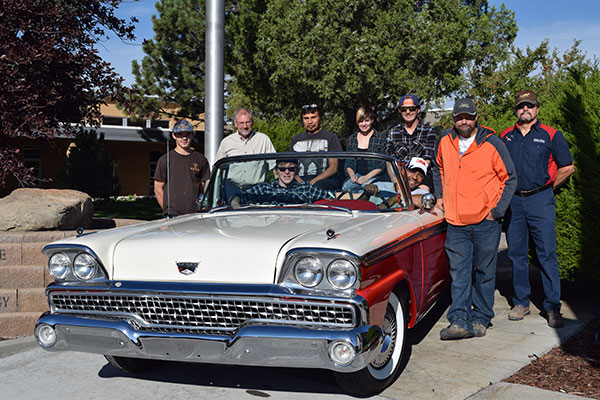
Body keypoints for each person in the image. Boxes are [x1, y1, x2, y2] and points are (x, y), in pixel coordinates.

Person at [433, 98, 517, 340]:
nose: (464, 121)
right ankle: (459, 320)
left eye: (468, 116)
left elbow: (510, 178)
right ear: (454, 119)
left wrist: (496, 211)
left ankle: (481, 318)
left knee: (484, 272)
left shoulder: (492, 143)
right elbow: (437, 169)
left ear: (476, 117)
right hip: (456, 222)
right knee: (459, 273)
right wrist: (440, 196)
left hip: (485, 221)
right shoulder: (445, 141)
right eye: (459, 117)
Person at [500, 90, 575, 328]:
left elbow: (568, 167)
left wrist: (548, 188)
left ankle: (552, 306)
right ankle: (521, 302)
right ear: (516, 109)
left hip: (540, 199)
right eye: (521, 106)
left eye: (530, 106)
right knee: (516, 254)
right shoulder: (505, 136)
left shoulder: (551, 134)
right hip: (514, 201)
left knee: (547, 254)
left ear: (537, 109)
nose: (525, 109)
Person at [154, 120, 211, 217]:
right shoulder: (165, 160)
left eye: (187, 134)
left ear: (192, 135)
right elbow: (158, 188)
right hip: (172, 216)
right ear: (174, 136)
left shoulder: (201, 160)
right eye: (180, 134)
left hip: (194, 215)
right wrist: (166, 209)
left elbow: (202, 188)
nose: (184, 138)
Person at [230, 159, 334, 206]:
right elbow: (239, 196)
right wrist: (235, 206)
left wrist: (349, 196)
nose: (287, 172)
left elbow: (332, 195)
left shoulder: (306, 189)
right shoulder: (264, 189)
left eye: (291, 169)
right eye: (282, 169)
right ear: (276, 171)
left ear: (297, 170)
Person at [215, 108, 276, 186]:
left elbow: (275, 166)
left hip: (256, 190)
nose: (245, 126)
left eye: (247, 122)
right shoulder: (226, 142)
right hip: (232, 190)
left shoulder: (263, 139)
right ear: (236, 124)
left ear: (252, 122)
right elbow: (219, 170)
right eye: (241, 123)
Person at [290, 103, 343, 191]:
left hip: (324, 180)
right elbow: (291, 165)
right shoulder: (296, 139)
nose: (310, 122)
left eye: (313, 117)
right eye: (306, 118)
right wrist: (300, 182)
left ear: (320, 118)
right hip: (300, 180)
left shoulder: (330, 138)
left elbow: (333, 167)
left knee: (317, 188)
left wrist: (314, 181)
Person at [385, 94, 437, 165]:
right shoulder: (392, 133)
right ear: (399, 111)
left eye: (411, 108)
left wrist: (413, 174)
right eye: (404, 109)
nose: (408, 112)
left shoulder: (429, 131)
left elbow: (427, 160)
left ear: (418, 110)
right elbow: (390, 161)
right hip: (399, 174)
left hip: (421, 174)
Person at [343, 107, 386, 191]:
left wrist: (367, 177)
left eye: (366, 121)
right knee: (348, 189)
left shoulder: (380, 139)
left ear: (372, 120)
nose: (363, 124)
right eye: (360, 121)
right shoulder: (352, 139)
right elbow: (348, 162)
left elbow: (382, 165)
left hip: (374, 177)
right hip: (356, 176)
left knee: (367, 190)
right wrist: (352, 176)